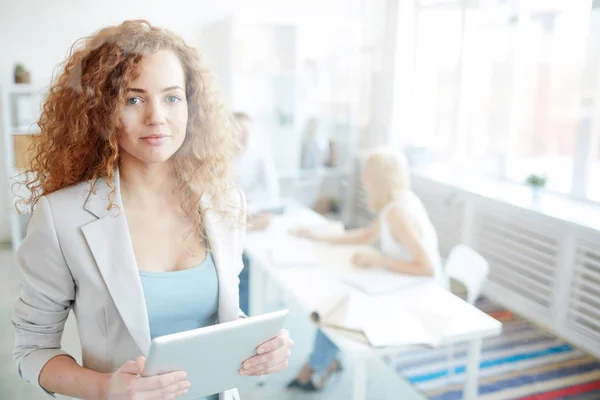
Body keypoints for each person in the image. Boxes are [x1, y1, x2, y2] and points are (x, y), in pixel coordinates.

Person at [12, 20, 293, 400]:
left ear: (191, 106)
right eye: (133, 98)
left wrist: (259, 345)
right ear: (101, 111)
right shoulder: (62, 217)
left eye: (172, 97)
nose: (157, 116)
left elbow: (218, 316)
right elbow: (31, 351)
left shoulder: (224, 203)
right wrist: (105, 387)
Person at [287, 147, 443, 391]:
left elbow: (427, 268)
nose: (362, 178)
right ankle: (320, 362)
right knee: (339, 299)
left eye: (367, 172)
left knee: (340, 302)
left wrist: (379, 261)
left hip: (417, 294)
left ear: (379, 177)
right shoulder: (396, 202)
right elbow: (366, 235)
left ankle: (318, 364)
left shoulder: (398, 213)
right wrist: (318, 235)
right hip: (401, 282)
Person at [233, 112, 281, 315]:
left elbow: (272, 192)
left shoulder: (259, 155)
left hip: (252, 221)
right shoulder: (218, 155)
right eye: (240, 131)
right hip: (234, 226)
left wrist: (250, 205)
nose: (245, 136)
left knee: (251, 271)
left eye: (248, 131)